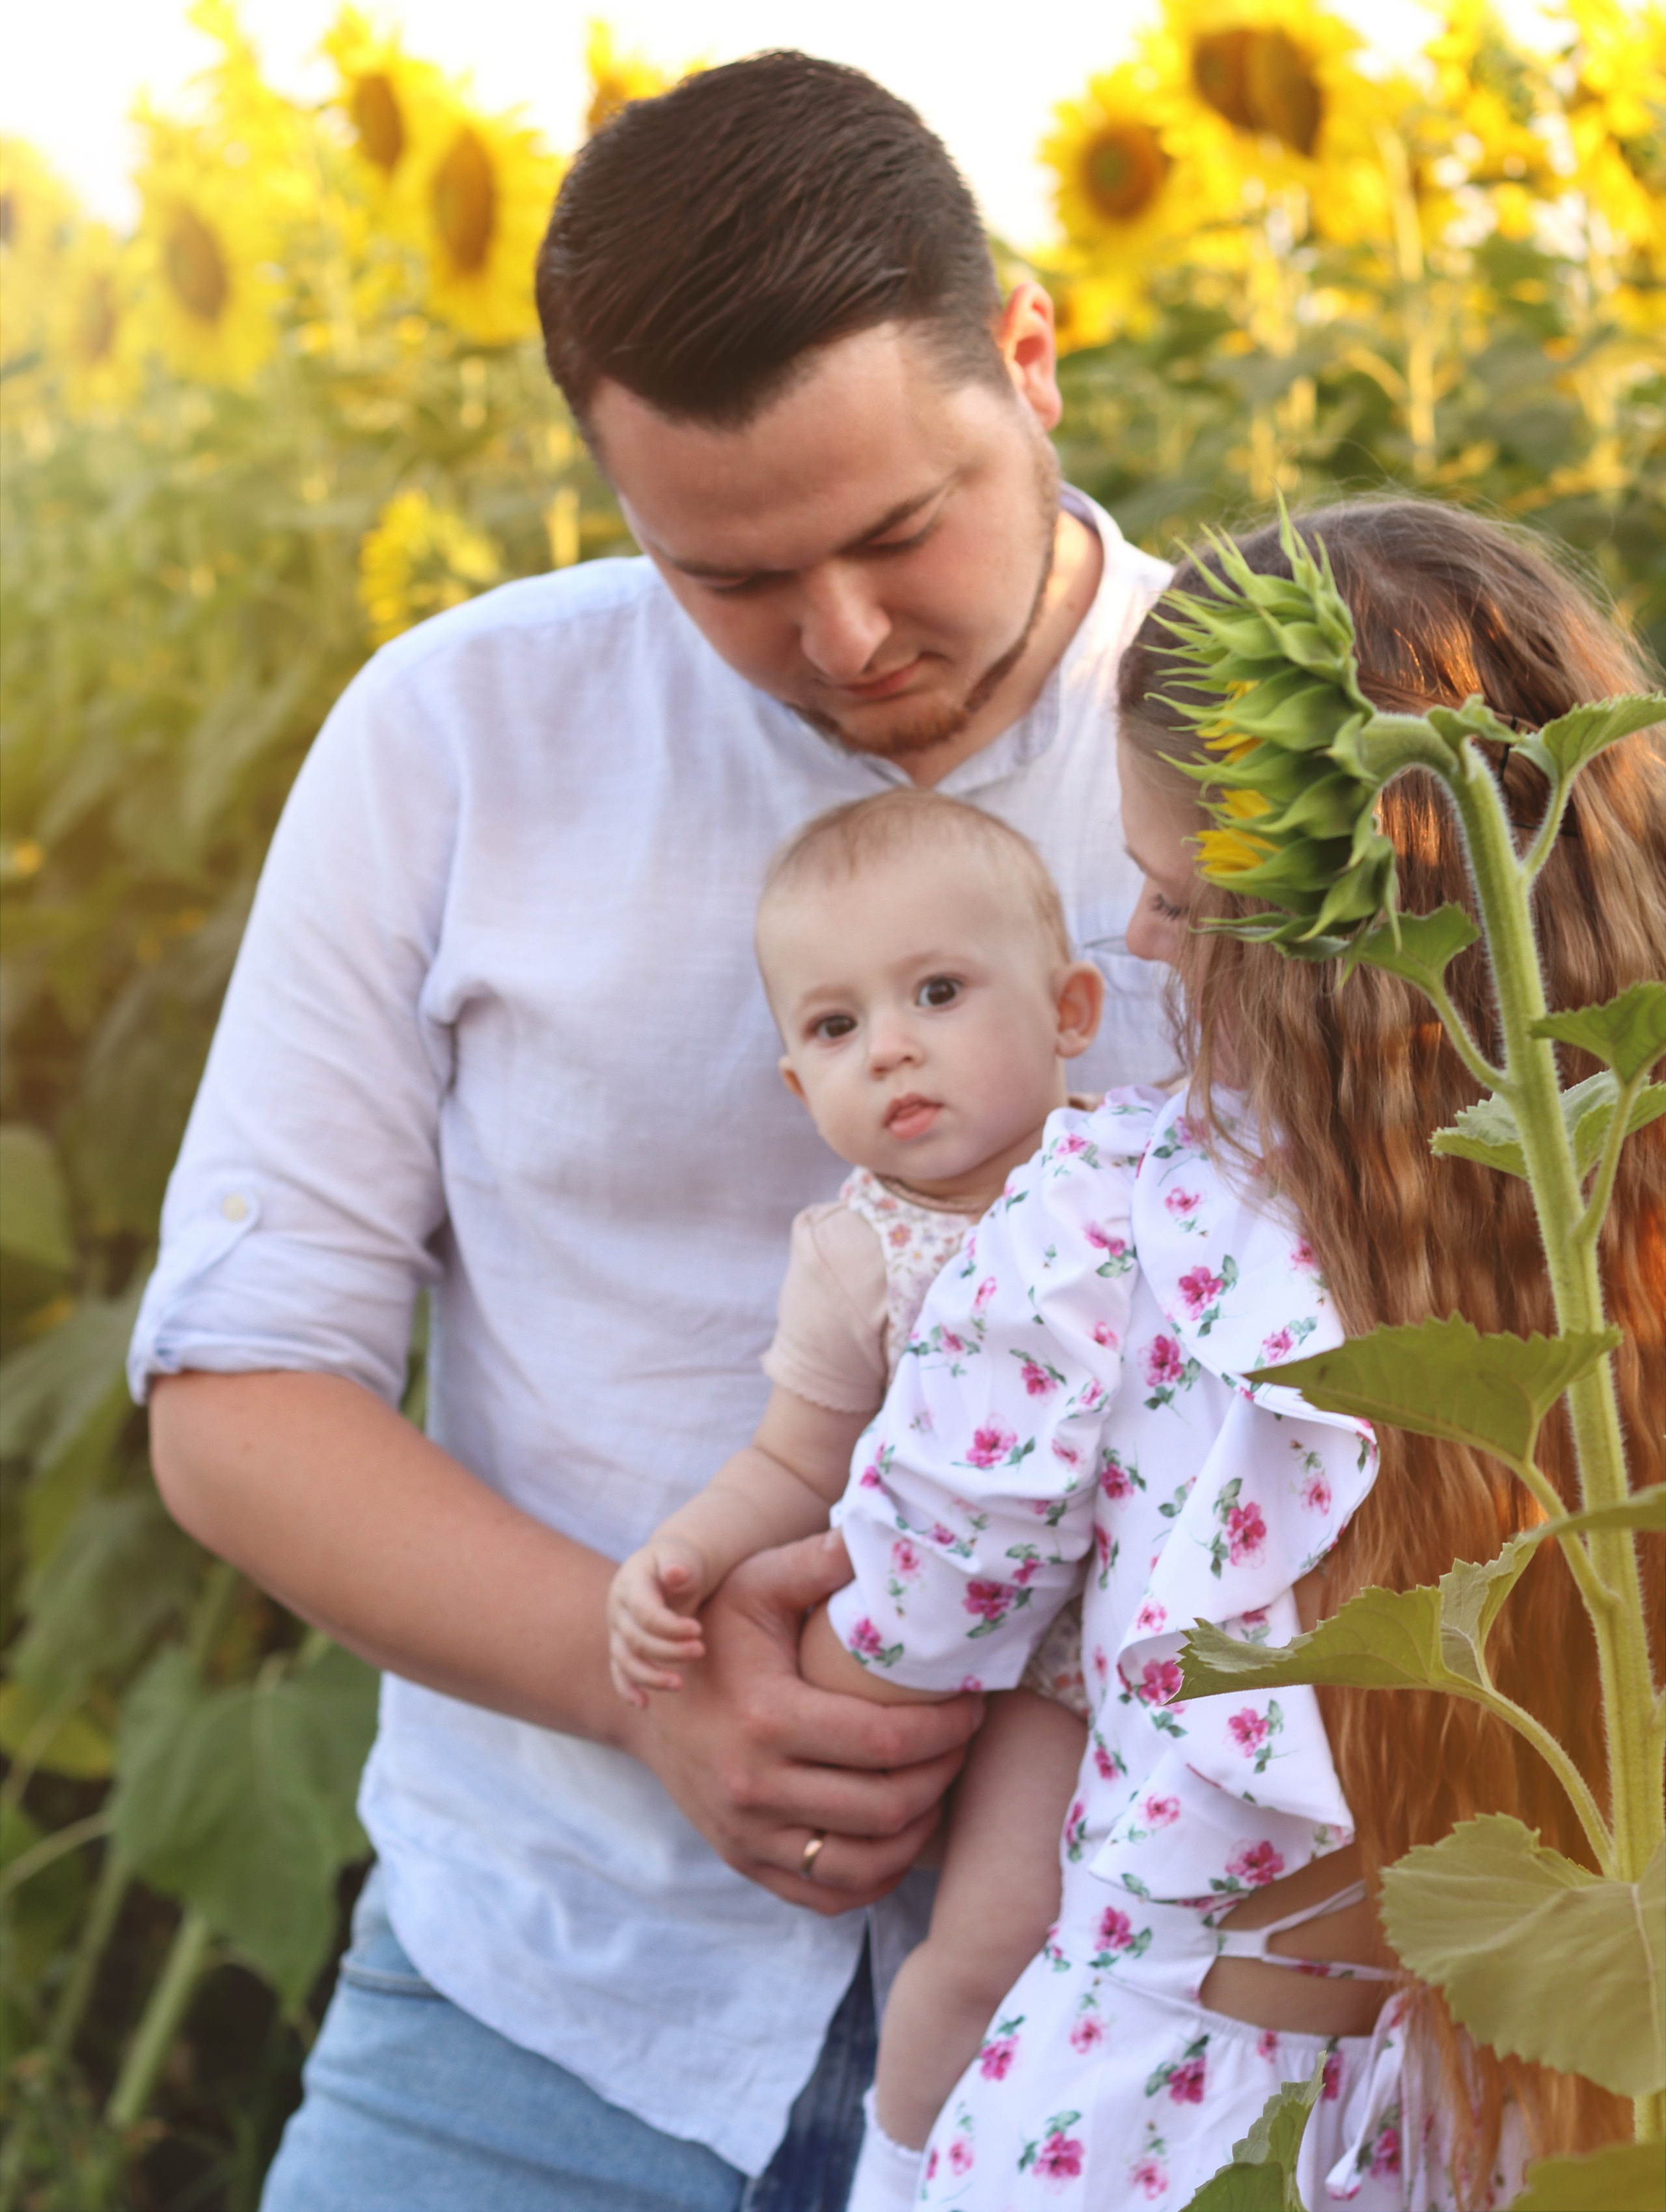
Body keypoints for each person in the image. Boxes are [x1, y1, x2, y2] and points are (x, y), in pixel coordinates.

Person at [131, 52, 1176, 2212]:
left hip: (1151, 2021)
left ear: (1033, 355)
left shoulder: (1298, 752)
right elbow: (240, 1393)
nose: (849, 640)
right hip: (538, 1993)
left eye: (903, 528)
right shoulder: (458, 735)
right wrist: (656, 1697)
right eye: (733, 577)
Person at [797, 500, 1666, 2209]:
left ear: (1329, 946)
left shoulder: (1108, 1222)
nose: (1137, 939)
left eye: (1184, 894)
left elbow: (908, 1635)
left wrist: (788, 1562)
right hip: (1555, 2115)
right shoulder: (1624, 1198)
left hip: (1176, 2120)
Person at [609, 788, 1105, 2160]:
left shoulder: (1141, 1170)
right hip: (1022, 1664)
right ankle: (909, 2162)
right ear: (794, 1081)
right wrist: (683, 1560)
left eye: (937, 991)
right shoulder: (860, 1254)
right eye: (834, 1026)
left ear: (1069, 1007)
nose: (890, 1048)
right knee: (1000, 1926)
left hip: (1177, 1623)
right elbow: (791, 1458)